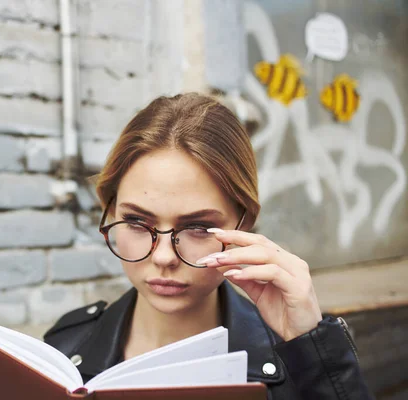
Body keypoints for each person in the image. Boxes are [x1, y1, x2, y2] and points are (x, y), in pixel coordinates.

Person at [43, 93, 373, 399]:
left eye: (198, 227)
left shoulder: (296, 360)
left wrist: (313, 353)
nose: (163, 257)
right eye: (137, 223)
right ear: (111, 210)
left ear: (244, 223)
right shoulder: (63, 348)